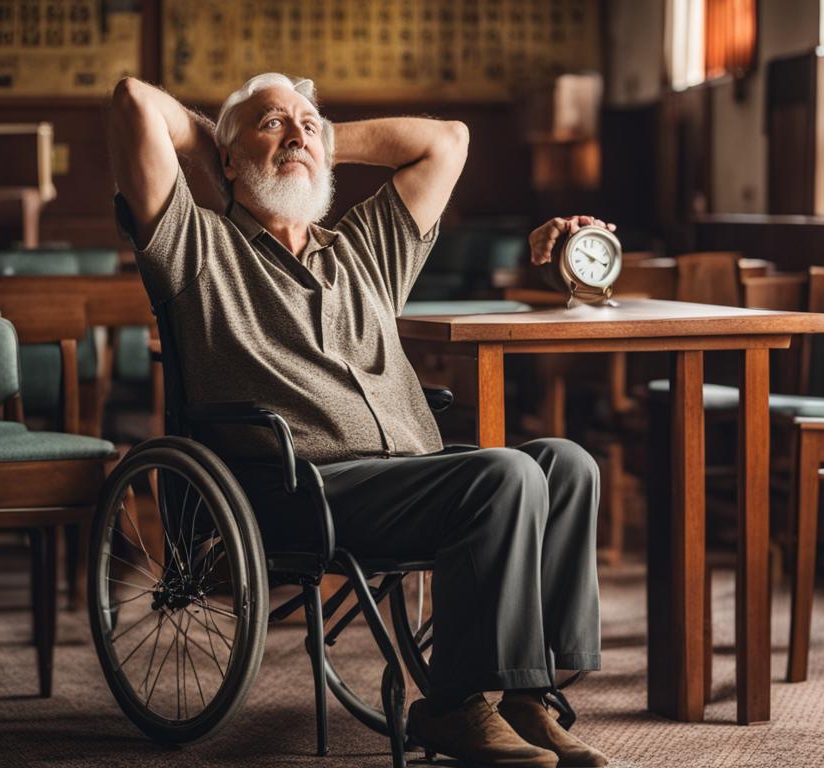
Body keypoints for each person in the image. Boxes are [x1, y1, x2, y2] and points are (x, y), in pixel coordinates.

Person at [108, 71, 611, 768]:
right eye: (272, 124)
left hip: (409, 477)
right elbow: (134, 101)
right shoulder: (199, 248)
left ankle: (528, 700)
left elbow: (448, 141)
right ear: (227, 159)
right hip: (299, 489)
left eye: (309, 124)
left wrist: (316, 140)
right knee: (504, 474)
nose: (296, 133)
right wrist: (217, 142)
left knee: (566, 465)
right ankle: (454, 705)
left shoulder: (363, 248)